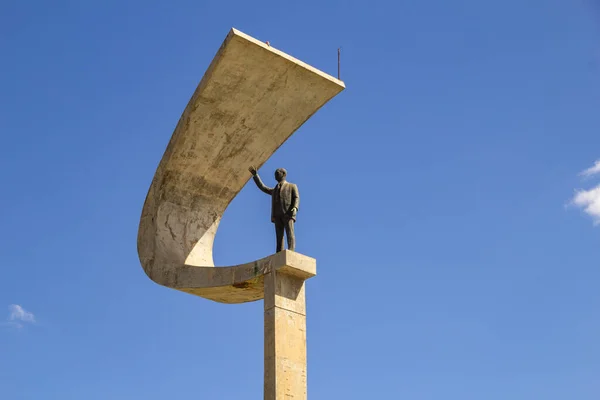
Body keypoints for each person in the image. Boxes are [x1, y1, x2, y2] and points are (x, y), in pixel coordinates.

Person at [248, 166, 299, 252]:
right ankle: (279, 251)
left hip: (288, 212)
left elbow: (296, 197)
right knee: (279, 235)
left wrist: (295, 207)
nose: (275, 175)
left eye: (277, 173)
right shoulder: (275, 189)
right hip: (277, 214)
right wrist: (256, 175)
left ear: (283, 174)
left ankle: (291, 249)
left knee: (290, 232)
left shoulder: (291, 186)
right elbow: (263, 188)